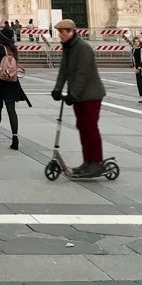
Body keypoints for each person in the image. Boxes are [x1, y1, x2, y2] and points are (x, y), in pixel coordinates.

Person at [51, 18, 106, 177]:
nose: (59, 35)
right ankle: (88, 161)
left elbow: (83, 74)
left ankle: (97, 163)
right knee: (82, 127)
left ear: (71, 32)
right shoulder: (68, 47)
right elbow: (63, 70)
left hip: (91, 95)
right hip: (79, 96)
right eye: (59, 32)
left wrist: (72, 94)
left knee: (91, 128)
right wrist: (57, 89)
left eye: (62, 32)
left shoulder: (83, 48)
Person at [0, 27, 31, 150]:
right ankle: (15, 138)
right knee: (12, 111)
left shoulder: (0, 48)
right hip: (11, 82)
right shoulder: (13, 49)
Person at [131, 37, 142, 104]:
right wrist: (134, 67)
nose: (136, 42)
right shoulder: (133, 49)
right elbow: (133, 58)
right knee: (139, 83)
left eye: (137, 41)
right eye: (135, 41)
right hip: (137, 68)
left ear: (139, 42)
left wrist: (139, 67)